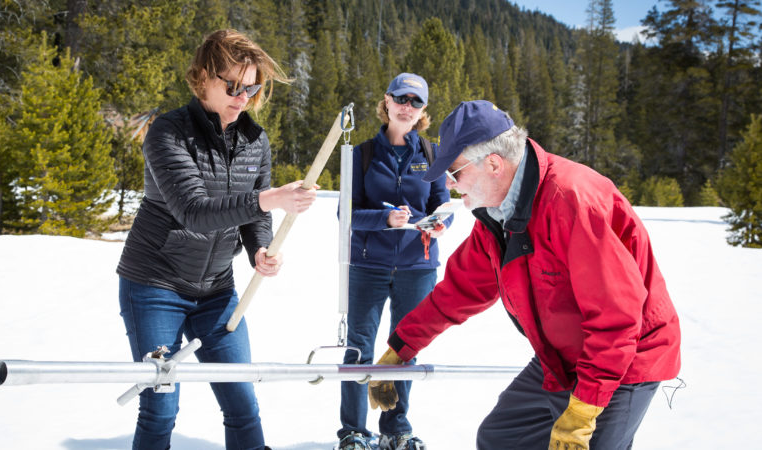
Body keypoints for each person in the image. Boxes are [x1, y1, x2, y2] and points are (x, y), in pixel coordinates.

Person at [367, 100, 681, 450]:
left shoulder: (572, 201)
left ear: (493, 164)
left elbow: (617, 319)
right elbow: (460, 290)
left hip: (623, 358)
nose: (451, 185)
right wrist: (401, 348)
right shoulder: (497, 215)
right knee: (502, 437)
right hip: (562, 354)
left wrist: (582, 412)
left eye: (455, 173)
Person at [116, 29, 317, 450]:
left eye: (253, 87)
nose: (243, 96)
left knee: (241, 400)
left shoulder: (255, 140)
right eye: (232, 85)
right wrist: (270, 199)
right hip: (154, 286)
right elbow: (194, 211)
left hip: (217, 292)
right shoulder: (168, 132)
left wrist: (260, 248)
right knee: (160, 406)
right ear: (203, 77)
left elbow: (251, 218)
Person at [336, 73, 453, 450]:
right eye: (400, 98)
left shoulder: (433, 155)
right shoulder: (362, 153)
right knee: (359, 347)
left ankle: (395, 428)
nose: (407, 106)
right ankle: (353, 431)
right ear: (386, 101)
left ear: (423, 111)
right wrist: (384, 220)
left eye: (415, 102)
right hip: (368, 266)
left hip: (417, 267)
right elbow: (347, 214)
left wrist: (440, 223)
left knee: (406, 346)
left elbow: (443, 207)